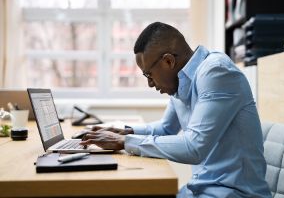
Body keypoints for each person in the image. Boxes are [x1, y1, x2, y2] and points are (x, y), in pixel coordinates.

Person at [80, 22, 272, 198]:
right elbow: (165, 128)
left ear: (168, 61)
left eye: (149, 74)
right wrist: (124, 131)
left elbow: (194, 147)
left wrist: (125, 142)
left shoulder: (216, 73)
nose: (149, 84)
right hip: (200, 189)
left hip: (235, 193)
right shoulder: (181, 82)